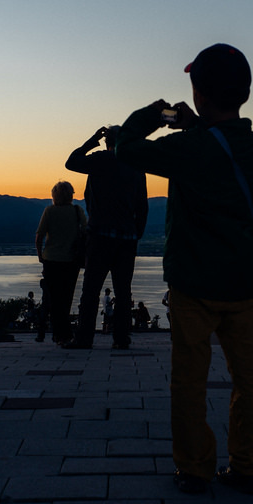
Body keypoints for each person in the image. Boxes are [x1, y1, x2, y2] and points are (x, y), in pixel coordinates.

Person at [116, 43, 253, 496]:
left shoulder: (187, 147)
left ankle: (195, 468)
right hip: (243, 279)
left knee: (189, 379)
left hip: (194, 281)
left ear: (198, 93)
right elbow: (219, 147)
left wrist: (153, 114)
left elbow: (126, 147)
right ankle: (250, 467)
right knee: (250, 377)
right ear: (244, 92)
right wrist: (198, 123)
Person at [64, 125, 149, 350]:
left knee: (91, 290)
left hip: (100, 235)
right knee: (123, 291)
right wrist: (136, 233)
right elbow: (142, 205)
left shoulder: (101, 159)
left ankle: (84, 338)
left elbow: (71, 162)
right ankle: (121, 338)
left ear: (107, 141)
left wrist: (91, 140)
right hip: (127, 238)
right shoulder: (137, 166)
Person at [34, 181, 86, 344]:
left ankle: (59, 334)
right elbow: (86, 231)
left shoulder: (49, 211)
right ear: (71, 194)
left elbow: (39, 235)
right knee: (67, 296)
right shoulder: (77, 211)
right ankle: (65, 333)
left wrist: (40, 255)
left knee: (54, 299)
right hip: (71, 260)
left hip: (51, 260)